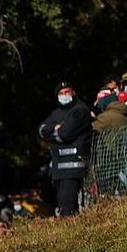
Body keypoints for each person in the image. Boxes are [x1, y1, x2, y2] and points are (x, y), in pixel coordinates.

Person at [38, 81, 93, 217]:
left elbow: (65, 134)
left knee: (69, 208)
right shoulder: (56, 113)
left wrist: (52, 134)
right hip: (59, 170)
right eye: (61, 94)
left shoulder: (80, 110)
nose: (64, 96)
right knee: (62, 205)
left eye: (67, 92)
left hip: (74, 168)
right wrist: (54, 128)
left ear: (73, 93)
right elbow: (41, 129)